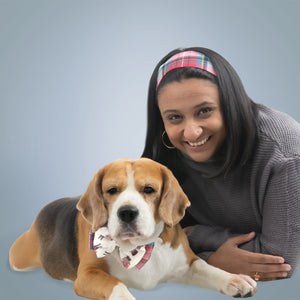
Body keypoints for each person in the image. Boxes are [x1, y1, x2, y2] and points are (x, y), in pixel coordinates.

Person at [142, 47, 300, 282]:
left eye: (204, 111)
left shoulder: (284, 153)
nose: (192, 133)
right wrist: (213, 260)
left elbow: (279, 262)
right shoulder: (164, 156)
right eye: (174, 117)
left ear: (230, 103)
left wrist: (192, 238)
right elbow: (146, 246)